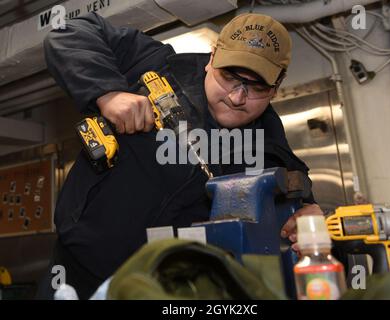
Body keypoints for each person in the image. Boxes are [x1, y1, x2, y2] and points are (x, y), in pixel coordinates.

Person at [38, 12, 323, 299]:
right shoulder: (160, 67)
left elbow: (297, 192)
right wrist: (108, 93)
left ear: (276, 87)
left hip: (162, 288)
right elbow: (67, 30)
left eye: (257, 87)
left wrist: (308, 214)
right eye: (229, 77)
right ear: (212, 58)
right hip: (75, 270)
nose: (237, 97)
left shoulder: (268, 140)